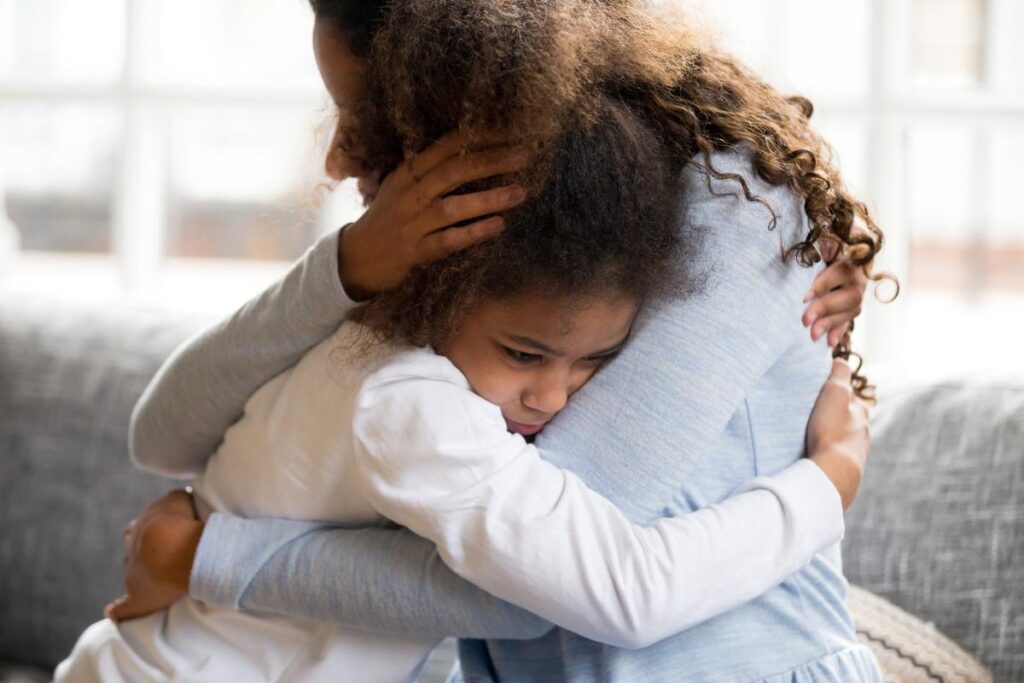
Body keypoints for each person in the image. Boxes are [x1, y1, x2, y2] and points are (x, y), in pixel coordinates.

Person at [107, 1, 885, 681]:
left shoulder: (739, 203)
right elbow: (161, 435)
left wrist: (205, 557)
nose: (337, 158)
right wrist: (346, 266)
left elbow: (552, 584)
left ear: (463, 70)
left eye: (364, 111)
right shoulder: (479, 259)